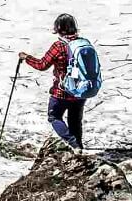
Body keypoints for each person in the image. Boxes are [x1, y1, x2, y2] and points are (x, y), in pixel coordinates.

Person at [19, 13, 94, 150]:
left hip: (62, 91)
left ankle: (73, 144)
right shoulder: (84, 43)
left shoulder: (58, 46)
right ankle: (79, 148)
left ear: (58, 28)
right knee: (75, 121)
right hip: (80, 91)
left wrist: (26, 58)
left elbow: (42, 65)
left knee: (54, 117)